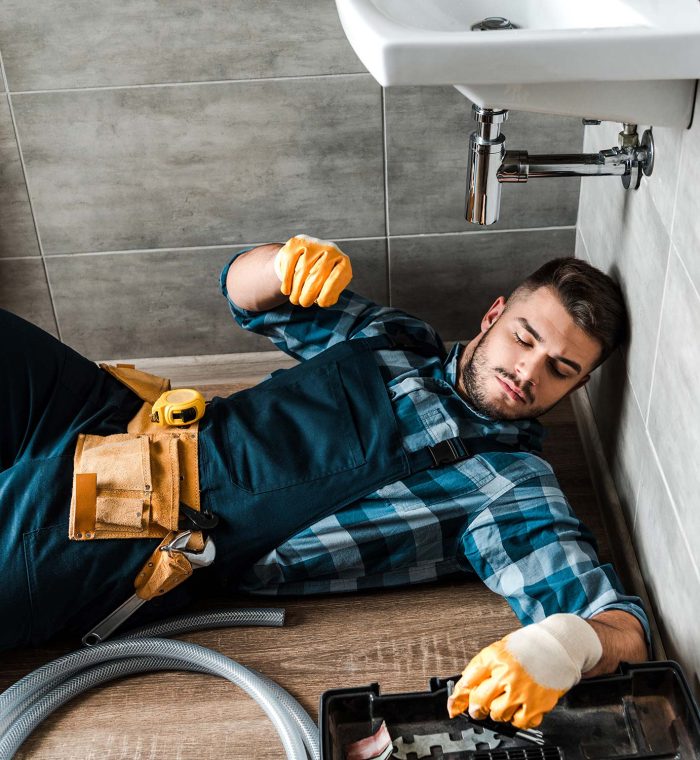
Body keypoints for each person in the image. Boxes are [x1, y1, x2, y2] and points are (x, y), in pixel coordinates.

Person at [1, 235, 648, 730]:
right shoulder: (397, 339)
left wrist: (571, 643)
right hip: (116, 415)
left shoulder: (507, 486)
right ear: (494, 314)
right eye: (524, 338)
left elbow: (619, 625)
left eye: (560, 368)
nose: (527, 371)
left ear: (578, 386)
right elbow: (242, 291)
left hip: (136, 527)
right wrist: (283, 262)